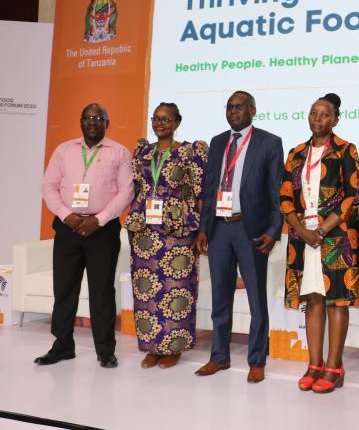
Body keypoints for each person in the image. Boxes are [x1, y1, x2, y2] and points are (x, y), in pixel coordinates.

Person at [195, 90, 284, 384]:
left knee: (257, 299)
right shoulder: (218, 142)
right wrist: (204, 229)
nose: (234, 112)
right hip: (220, 229)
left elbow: (276, 193)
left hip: (251, 230)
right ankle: (219, 357)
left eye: (240, 107)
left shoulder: (269, 142)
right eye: (230, 108)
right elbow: (209, 189)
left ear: (253, 110)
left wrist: (273, 231)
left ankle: (257, 361)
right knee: (221, 296)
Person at [38, 103, 134, 368]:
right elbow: (49, 186)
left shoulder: (120, 152)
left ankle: (105, 350)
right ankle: (62, 346)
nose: (93, 122)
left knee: (101, 290)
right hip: (67, 228)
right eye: (88, 118)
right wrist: (66, 214)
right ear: (81, 122)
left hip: (102, 231)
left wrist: (99, 220)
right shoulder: (64, 150)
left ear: (107, 122)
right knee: (64, 289)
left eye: (98, 118)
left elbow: (126, 192)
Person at [281, 93, 359, 394]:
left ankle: (334, 366)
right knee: (313, 298)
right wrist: (301, 230)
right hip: (302, 238)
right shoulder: (296, 153)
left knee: (336, 300)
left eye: (325, 114)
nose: (318, 119)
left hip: (336, 238)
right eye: (314, 113)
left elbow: (353, 194)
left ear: (336, 119)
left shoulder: (345, 150)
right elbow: (285, 195)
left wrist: (323, 229)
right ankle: (314, 364)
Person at [123, 103, 208, 369]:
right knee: (146, 292)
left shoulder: (189, 152)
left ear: (177, 122)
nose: (160, 123)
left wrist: (202, 230)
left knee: (176, 291)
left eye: (167, 119)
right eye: (156, 119)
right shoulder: (142, 152)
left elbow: (200, 193)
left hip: (178, 233)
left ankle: (174, 347)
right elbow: (136, 188)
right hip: (145, 234)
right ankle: (151, 346)